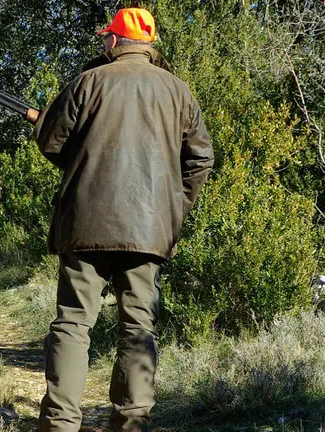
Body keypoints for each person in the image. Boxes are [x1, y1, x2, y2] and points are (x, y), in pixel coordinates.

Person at [31, 8, 214, 432]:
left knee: (74, 322)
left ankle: (60, 424)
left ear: (114, 41)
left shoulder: (88, 82)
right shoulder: (178, 91)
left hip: (85, 224)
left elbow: (52, 142)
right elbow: (201, 158)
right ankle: (132, 422)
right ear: (149, 44)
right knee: (137, 326)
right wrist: (174, 207)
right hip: (150, 229)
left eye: (106, 39)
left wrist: (68, 151)